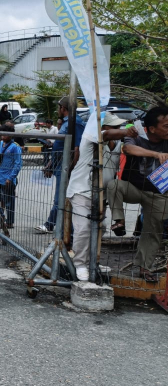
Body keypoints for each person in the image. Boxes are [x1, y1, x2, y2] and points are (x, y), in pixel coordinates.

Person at [66, 113, 130, 281]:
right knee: (83, 229)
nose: (118, 130)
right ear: (102, 128)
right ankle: (80, 264)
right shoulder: (91, 139)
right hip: (82, 190)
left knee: (99, 228)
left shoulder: (117, 144)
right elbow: (106, 135)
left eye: (119, 127)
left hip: (101, 194)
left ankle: (92, 261)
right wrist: (127, 132)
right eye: (114, 127)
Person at [108, 107, 168, 282]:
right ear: (151, 128)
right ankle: (119, 221)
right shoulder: (136, 136)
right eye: (165, 126)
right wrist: (156, 154)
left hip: (158, 193)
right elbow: (128, 149)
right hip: (134, 188)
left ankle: (145, 268)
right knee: (114, 186)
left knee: (153, 231)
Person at [36, 97, 86, 233]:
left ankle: (62, 232)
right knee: (60, 200)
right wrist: (51, 165)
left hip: (66, 168)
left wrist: (70, 170)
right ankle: (63, 232)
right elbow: (60, 148)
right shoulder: (66, 123)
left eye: (59, 108)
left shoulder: (74, 122)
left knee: (61, 200)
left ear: (63, 108)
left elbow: (77, 149)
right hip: (59, 165)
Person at [0, 125, 23, 229]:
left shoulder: (15, 147)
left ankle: (10, 222)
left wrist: (11, 178)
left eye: (5, 133)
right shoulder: (0, 144)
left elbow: (18, 164)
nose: (3, 135)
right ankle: (1, 215)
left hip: (7, 178)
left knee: (9, 201)